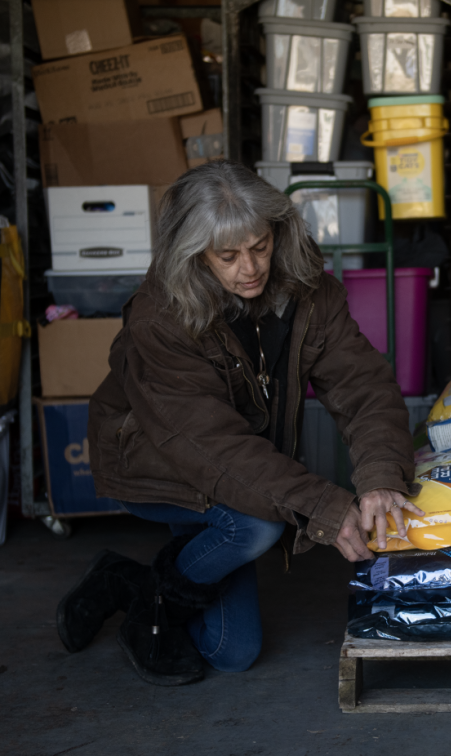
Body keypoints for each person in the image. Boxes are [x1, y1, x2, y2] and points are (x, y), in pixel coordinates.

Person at [56, 160, 423, 686]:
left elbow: (361, 384)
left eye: (260, 246)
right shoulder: (162, 315)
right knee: (254, 525)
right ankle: (154, 602)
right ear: (194, 254)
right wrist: (322, 504)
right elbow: (208, 444)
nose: (249, 268)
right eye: (227, 256)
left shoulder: (308, 291)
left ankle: (128, 582)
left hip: (240, 463)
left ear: (278, 233)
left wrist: (381, 476)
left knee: (231, 652)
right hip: (159, 457)